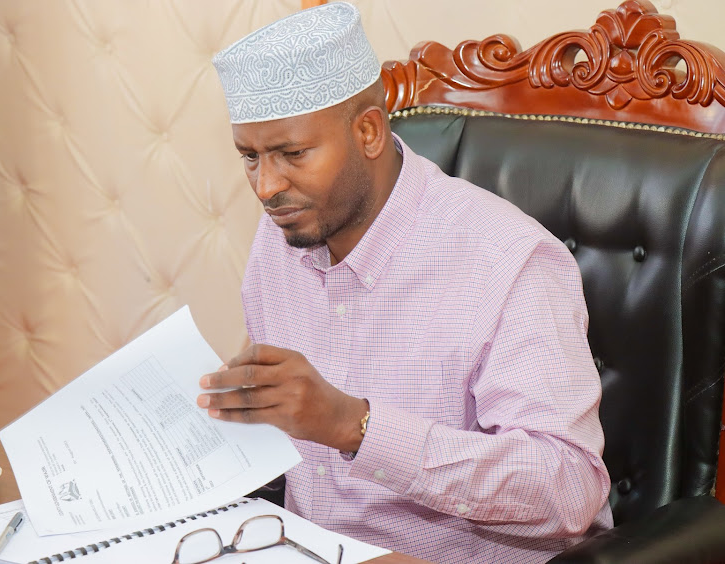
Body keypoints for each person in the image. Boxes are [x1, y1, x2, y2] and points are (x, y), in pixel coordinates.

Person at [201, 3, 612, 563]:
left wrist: (355, 426)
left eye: (292, 154)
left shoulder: (507, 260)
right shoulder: (284, 228)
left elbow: (568, 486)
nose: (267, 187)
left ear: (368, 131)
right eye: (249, 158)